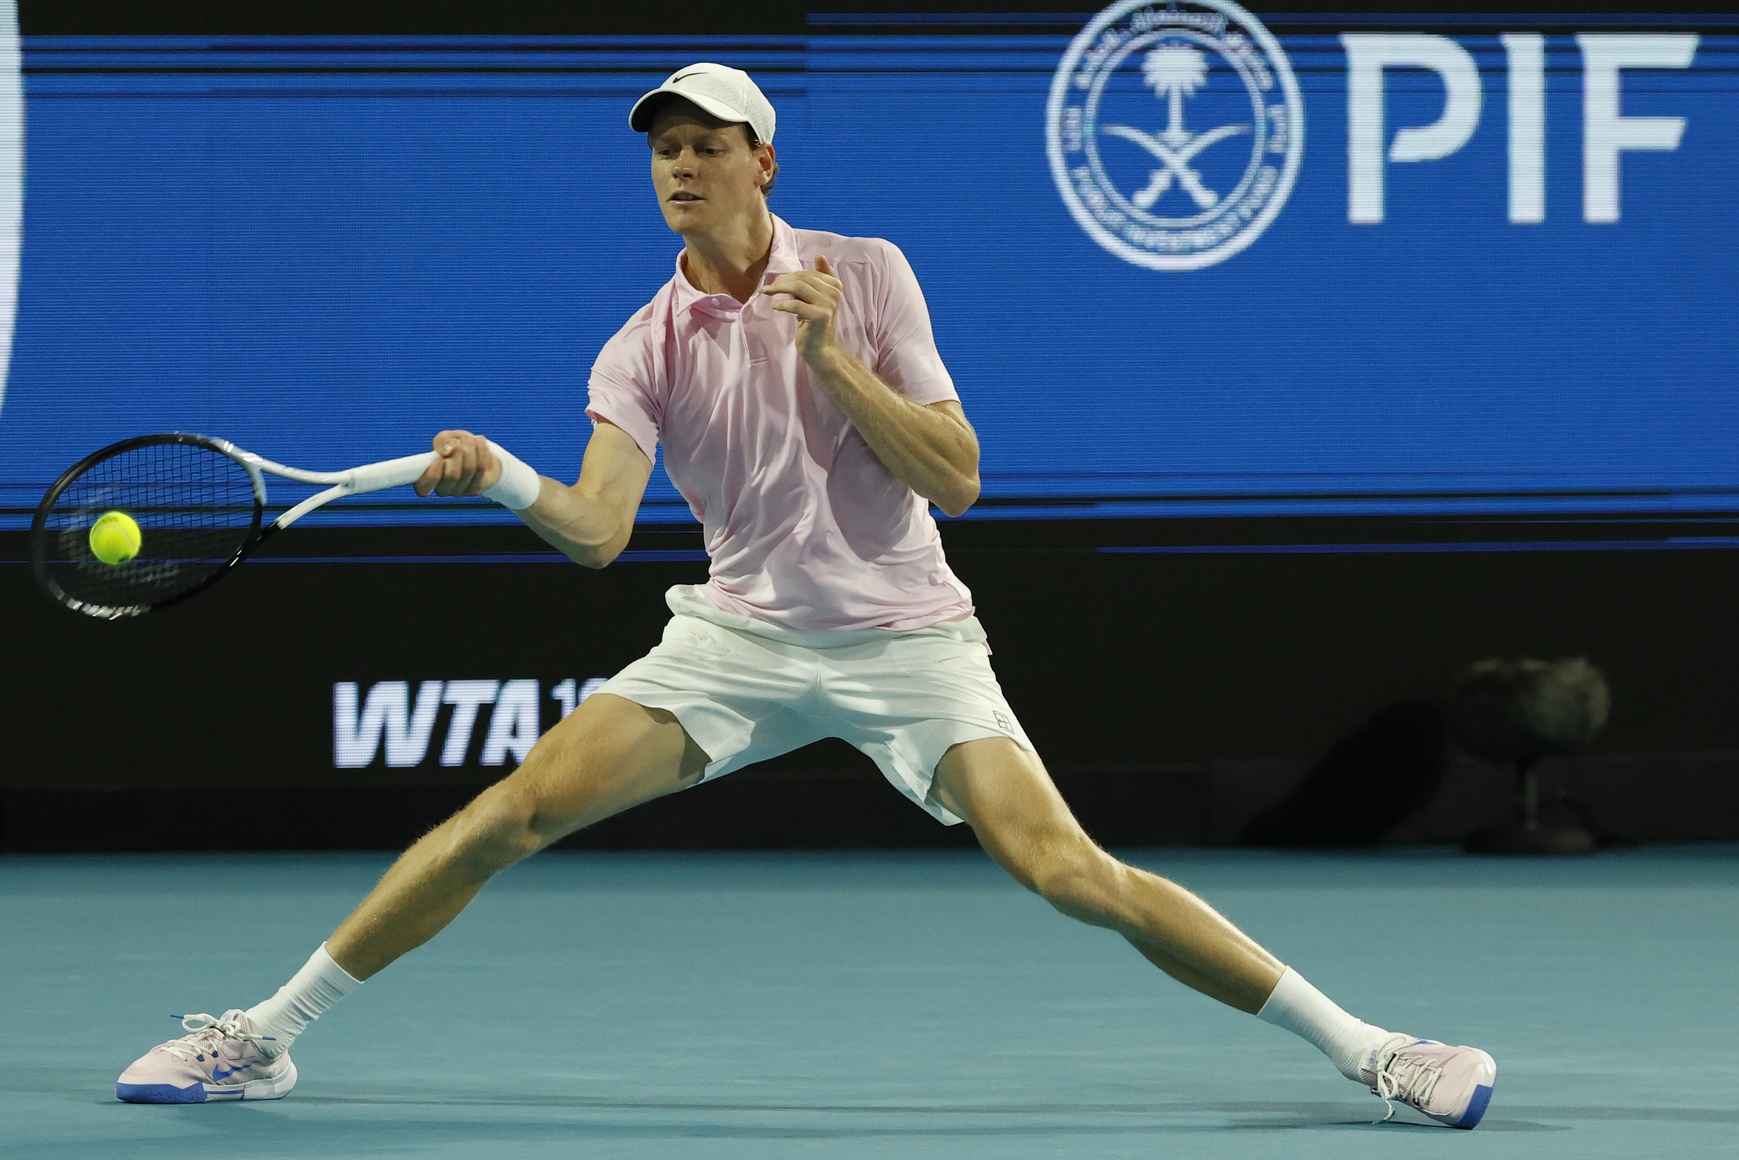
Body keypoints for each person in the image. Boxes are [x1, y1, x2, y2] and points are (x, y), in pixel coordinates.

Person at [116, 63, 1496, 1128]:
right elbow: (599, 533)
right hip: (739, 639)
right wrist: (501, 479)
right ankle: (262, 1035)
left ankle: (1378, 1052)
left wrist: (837, 362)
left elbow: (957, 479)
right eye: (666, 148)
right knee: (508, 812)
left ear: (762, 161)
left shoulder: (869, 276)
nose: (682, 164)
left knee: (1073, 875)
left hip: (912, 641)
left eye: (709, 144)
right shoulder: (641, 345)